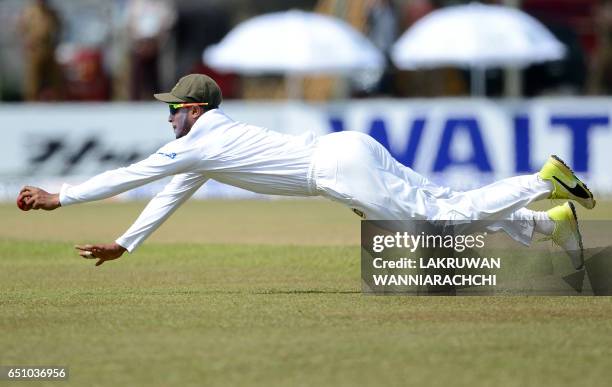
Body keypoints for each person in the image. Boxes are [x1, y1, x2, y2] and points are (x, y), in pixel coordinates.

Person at [17, 74, 595, 270]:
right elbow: (168, 195)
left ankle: (543, 181)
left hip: (336, 170)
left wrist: (58, 198)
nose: (168, 115)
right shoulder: (205, 149)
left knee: (439, 217)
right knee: (442, 198)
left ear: (194, 109)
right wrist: (125, 243)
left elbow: (131, 174)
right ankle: (552, 225)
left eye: (174, 107)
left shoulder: (199, 141)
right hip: (348, 148)